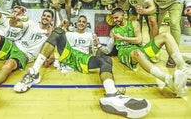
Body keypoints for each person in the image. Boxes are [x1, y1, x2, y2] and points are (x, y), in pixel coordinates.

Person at [13, 15, 151, 119]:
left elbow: (97, 53)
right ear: (76, 23)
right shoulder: (69, 33)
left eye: (84, 22)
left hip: (83, 59)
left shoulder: (91, 35)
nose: (81, 23)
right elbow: (53, 37)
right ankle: (33, 72)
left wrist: (97, 46)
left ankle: (112, 95)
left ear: (86, 25)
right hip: (69, 54)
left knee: (106, 60)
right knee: (59, 31)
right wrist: (52, 55)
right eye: (79, 21)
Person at [108, 8, 189, 97]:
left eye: (116, 17)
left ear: (123, 15)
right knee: (137, 53)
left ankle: (183, 68)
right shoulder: (113, 31)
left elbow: (139, 40)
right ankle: (168, 80)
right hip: (125, 52)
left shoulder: (134, 23)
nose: (114, 20)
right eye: (113, 18)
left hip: (141, 49)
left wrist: (122, 38)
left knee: (165, 35)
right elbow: (108, 48)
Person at [142, 0, 191, 67]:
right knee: (153, 25)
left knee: (174, 23)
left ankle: (174, 55)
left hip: (175, 1)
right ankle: (153, 51)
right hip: (159, 4)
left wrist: (189, 4)